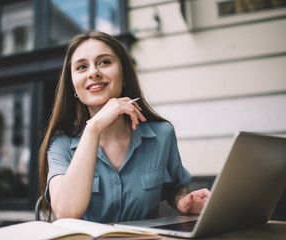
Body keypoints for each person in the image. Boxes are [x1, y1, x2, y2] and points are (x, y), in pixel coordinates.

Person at [38, 31, 210, 223]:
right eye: (82, 67)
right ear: (73, 87)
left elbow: (174, 187)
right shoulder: (60, 144)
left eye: (104, 62)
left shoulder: (162, 134)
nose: (93, 72)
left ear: (124, 74)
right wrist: (93, 127)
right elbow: (66, 213)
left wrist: (182, 202)